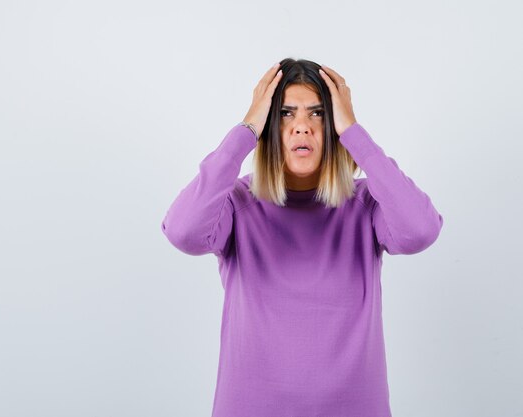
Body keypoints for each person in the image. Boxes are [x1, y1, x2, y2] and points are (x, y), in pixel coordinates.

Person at [160, 58, 444, 417]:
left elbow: (421, 230)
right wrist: (246, 129)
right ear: (269, 128)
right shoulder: (237, 203)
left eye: (318, 114)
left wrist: (355, 134)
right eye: (285, 114)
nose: (301, 128)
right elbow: (184, 232)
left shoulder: (366, 203)